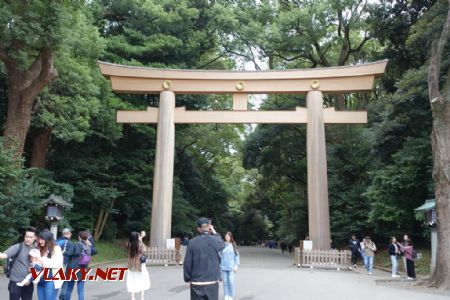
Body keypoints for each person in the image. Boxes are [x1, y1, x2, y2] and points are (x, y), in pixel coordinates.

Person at [183, 217, 226, 300]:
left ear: (198, 229)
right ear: (209, 227)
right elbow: (222, 245)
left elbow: (187, 262)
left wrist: (187, 278)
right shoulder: (215, 240)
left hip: (197, 282)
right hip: (212, 281)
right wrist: (214, 232)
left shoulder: (192, 242)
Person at [0, 227, 37, 300]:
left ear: (35, 238)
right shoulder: (17, 247)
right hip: (15, 282)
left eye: (30, 237)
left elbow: (38, 267)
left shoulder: (36, 250)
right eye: (26, 236)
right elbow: (4, 255)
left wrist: (30, 280)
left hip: (28, 283)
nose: (28, 239)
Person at [36, 229, 64, 300]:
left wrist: (42, 260)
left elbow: (56, 263)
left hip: (51, 279)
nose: (40, 241)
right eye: (40, 239)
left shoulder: (56, 248)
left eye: (42, 239)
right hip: (41, 280)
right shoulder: (39, 248)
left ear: (48, 240)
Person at [65, 231, 93, 300]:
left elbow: (69, 253)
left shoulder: (76, 244)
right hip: (84, 269)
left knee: (69, 289)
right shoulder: (89, 246)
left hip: (73, 268)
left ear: (79, 237)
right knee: (80, 291)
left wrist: (63, 252)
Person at [126, 231, 150, 300]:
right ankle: (142, 298)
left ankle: (133, 298)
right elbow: (145, 250)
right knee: (143, 280)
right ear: (137, 237)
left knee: (132, 281)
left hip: (131, 266)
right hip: (140, 266)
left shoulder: (129, 245)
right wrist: (140, 240)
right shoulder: (139, 245)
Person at [220, 232, 240, 300]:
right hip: (223, 266)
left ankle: (231, 295)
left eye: (228, 236)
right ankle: (226, 295)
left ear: (231, 237)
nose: (227, 237)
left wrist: (236, 266)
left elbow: (237, 256)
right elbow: (219, 254)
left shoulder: (234, 245)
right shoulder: (222, 245)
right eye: (226, 236)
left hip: (231, 266)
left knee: (231, 282)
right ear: (225, 237)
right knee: (225, 282)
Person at [56, 228, 73, 300]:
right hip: (64, 264)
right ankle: (62, 297)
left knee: (54, 281)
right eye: (70, 234)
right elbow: (70, 253)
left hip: (55, 263)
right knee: (64, 281)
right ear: (68, 234)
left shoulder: (56, 241)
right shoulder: (69, 243)